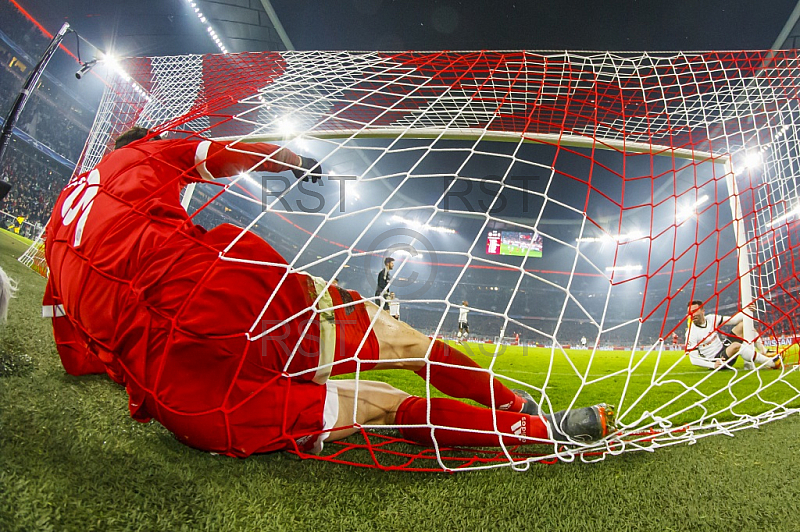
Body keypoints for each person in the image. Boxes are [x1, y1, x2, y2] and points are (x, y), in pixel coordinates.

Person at [43, 126, 614, 458]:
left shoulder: (55, 234)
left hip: (189, 402)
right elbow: (223, 154)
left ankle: (543, 430)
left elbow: (74, 354)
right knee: (404, 344)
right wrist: (293, 159)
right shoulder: (138, 154)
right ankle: (521, 412)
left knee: (381, 409)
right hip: (235, 307)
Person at [685, 300, 781, 371]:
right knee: (736, 345)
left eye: (695, 311)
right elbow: (694, 359)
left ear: (703, 311)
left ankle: (763, 351)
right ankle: (771, 363)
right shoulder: (691, 333)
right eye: (690, 312)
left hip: (723, 348)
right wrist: (712, 365)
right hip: (717, 360)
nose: (692, 314)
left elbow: (734, 320)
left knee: (744, 325)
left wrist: (747, 310)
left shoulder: (711, 319)